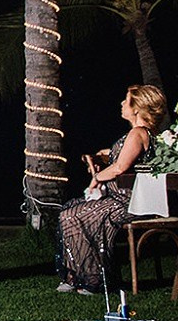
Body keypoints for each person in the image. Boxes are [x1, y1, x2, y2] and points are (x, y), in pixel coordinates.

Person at [55, 84, 167, 294]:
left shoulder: (138, 133)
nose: (122, 104)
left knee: (75, 215)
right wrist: (103, 156)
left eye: (126, 100)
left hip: (129, 201)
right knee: (72, 210)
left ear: (136, 108)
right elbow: (122, 157)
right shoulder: (147, 133)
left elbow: (120, 167)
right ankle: (78, 275)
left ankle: (92, 277)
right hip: (125, 198)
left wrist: (97, 178)